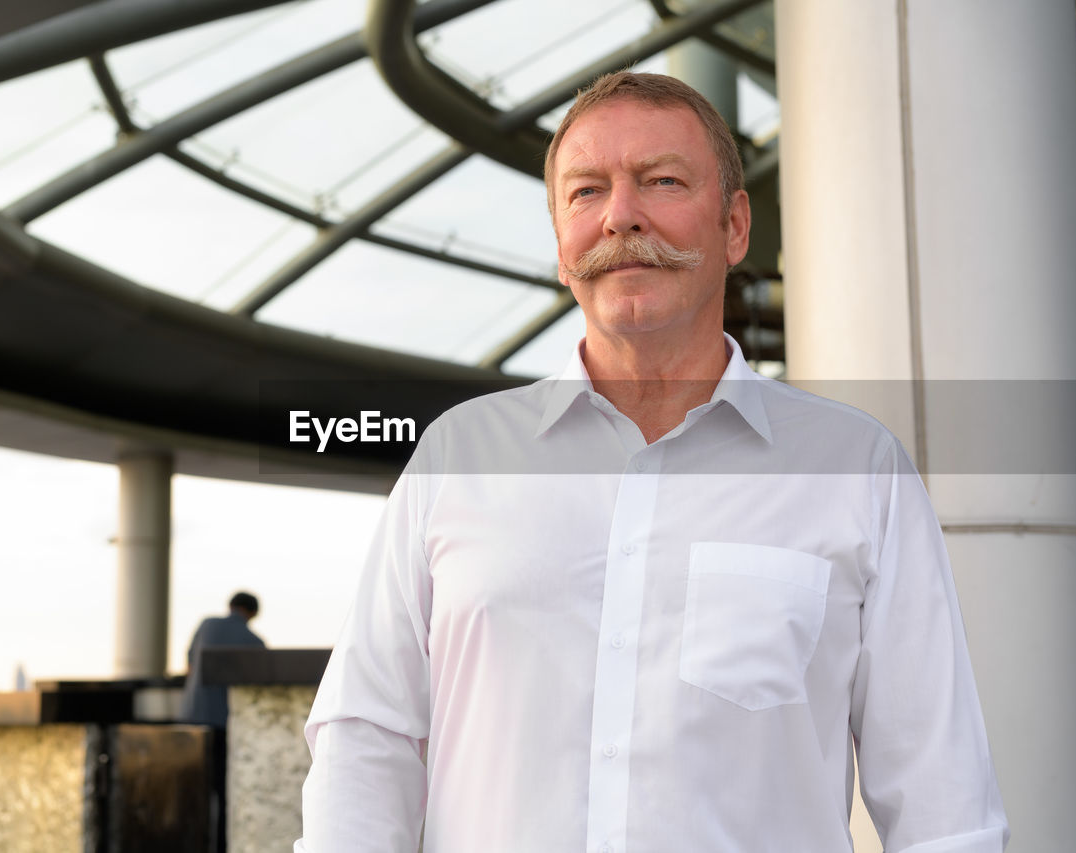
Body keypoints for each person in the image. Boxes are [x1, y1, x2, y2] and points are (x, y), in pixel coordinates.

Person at [297, 72, 1007, 852]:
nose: (621, 216)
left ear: (735, 227)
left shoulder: (858, 470)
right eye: (585, 192)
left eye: (662, 181)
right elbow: (367, 737)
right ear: (561, 245)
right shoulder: (457, 458)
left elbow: (945, 808)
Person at [182, 590, 265, 727]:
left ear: (231, 605)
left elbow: (190, 665)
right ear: (254, 613)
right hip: (225, 716)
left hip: (192, 709)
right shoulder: (255, 641)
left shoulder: (207, 625)